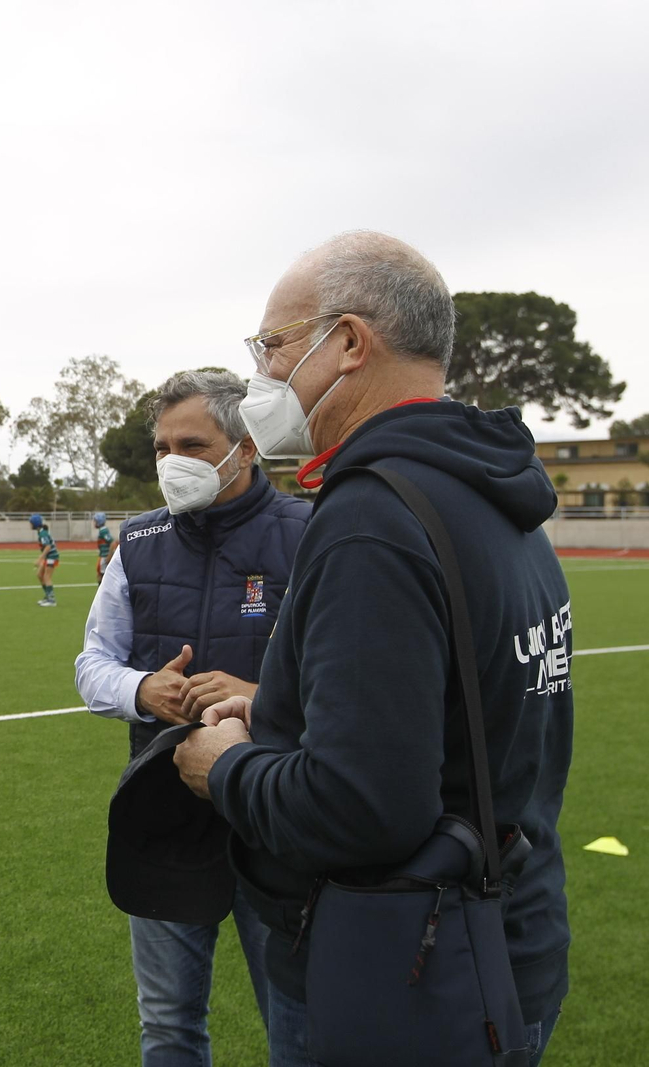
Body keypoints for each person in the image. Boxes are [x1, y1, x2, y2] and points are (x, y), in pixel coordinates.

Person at [174, 232, 573, 1066]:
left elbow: (363, 808)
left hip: (407, 973)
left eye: (273, 345)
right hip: (508, 943)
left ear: (349, 343)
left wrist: (227, 766)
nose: (263, 375)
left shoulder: (374, 515)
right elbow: (468, 712)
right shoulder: (495, 489)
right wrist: (284, 709)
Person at [75, 370, 311, 1066]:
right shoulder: (139, 541)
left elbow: (350, 681)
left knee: (296, 1024)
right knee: (170, 1026)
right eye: (161, 446)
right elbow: (93, 666)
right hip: (166, 814)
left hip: (278, 818)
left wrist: (257, 695)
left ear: (246, 448)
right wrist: (144, 689)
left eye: (193, 444)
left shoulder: (310, 531)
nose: (172, 461)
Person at [29, 512, 59, 605]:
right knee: (39, 575)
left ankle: (51, 600)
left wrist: (40, 559)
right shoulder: (41, 532)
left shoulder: (42, 533)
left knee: (47, 577)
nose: (29, 525)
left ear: (35, 524)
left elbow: (48, 546)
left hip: (52, 557)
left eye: (31, 523)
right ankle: (47, 596)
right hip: (48, 557)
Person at [93, 512, 113, 580]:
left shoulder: (103, 531)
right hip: (102, 556)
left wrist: (109, 556)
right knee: (100, 574)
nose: (94, 522)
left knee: (102, 576)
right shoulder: (102, 530)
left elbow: (112, 542)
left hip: (104, 557)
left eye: (95, 521)